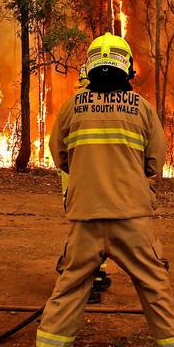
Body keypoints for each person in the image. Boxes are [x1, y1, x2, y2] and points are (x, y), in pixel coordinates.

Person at [31, 32, 174, 347]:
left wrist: (89, 174)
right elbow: (154, 163)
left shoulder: (73, 107)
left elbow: (60, 157)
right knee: (155, 288)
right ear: (127, 67)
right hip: (133, 219)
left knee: (70, 288)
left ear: (90, 66)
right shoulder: (142, 108)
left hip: (86, 220)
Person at [58, 64, 112, 303]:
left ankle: (96, 274)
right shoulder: (99, 107)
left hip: (74, 183)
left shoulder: (73, 106)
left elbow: (58, 149)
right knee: (88, 234)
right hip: (92, 184)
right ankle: (82, 280)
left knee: (87, 231)